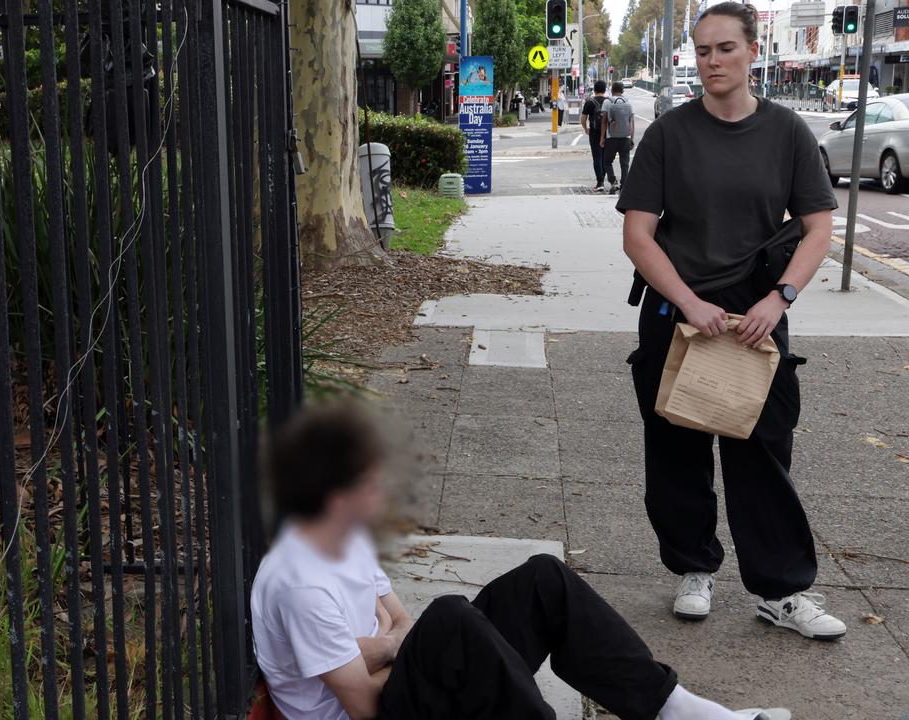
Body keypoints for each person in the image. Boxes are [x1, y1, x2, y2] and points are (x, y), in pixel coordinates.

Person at [250, 402, 792, 720]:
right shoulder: (302, 584)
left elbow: (399, 621)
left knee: (541, 580)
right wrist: (393, 645)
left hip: (399, 685)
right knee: (450, 617)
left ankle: (675, 710)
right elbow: (366, 703)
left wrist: (379, 647)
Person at [615, 1, 847, 642]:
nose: (712, 61)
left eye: (725, 48)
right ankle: (693, 569)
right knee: (675, 450)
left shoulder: (788, 132)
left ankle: (782, 591)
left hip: (756, 314)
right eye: (702, 50)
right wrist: (689, 303)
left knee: (762, 453)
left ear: (752, 52)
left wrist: (780, 299)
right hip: (678, 311)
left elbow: (817, 228)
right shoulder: (668, 134)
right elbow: (638, 235)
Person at [601, 80, 635, 194]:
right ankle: (624, 187)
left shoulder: (607, 102)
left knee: (607, 162)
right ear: (623, 91)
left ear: (611, 90)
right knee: (624, 163)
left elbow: (604, 122)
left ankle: (613, 182)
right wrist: (631, 139)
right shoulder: (628, 102)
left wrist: (602, 138)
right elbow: (631, 122)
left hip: (611, 137)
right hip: (625, 137)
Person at [581, 80, 610, 192]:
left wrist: (586, 129)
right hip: (608, 132)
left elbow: (583, 119)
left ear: (594, 89)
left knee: (597, 157)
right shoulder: (609, 101)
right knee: (605, 156)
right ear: (605, 89)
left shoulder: (590, 102)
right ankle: (603, 177)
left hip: (594, 132)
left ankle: (600, 182)